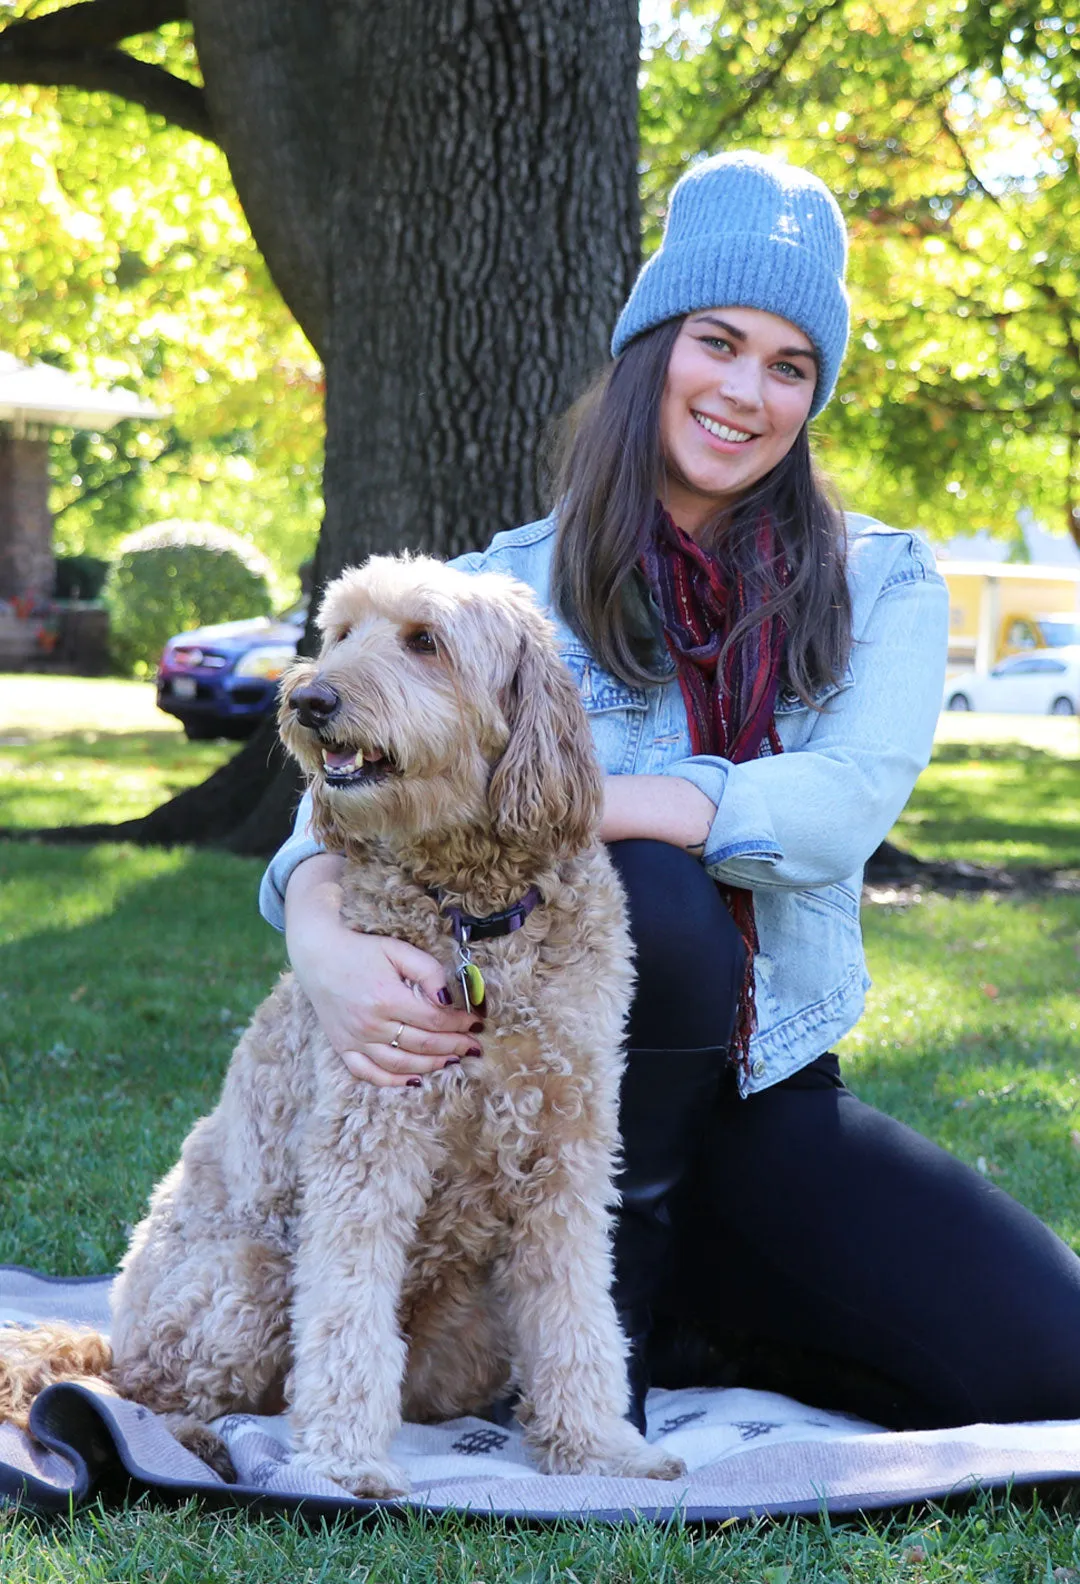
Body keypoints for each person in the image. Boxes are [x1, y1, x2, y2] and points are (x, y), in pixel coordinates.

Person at [260, 151, 1080, 1434]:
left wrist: (605, 799)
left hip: (767, 1089)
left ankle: (703, 1317)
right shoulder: (503, 588)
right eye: (720, 342)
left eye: (791, 365)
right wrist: (319, 936)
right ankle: (612, 1348)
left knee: (1049, 1362)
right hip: (527, 1096)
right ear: (654, 347)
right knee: (652, 896)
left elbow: (841, 805)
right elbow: (345, 793)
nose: (748, 393)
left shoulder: (882, 580)